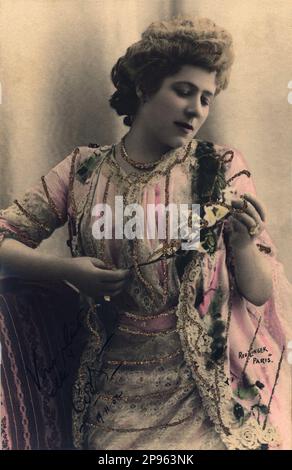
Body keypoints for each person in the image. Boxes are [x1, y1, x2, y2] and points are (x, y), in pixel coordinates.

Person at [0, 16, 292, 450]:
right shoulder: (83, 171)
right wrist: (67, 270)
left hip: (206, 392)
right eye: (184, 91)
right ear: (144, 87)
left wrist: (244, 242)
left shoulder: (219, 168)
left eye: (207, 98)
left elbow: (259, 292)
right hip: (116, 392)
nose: (196, 109)